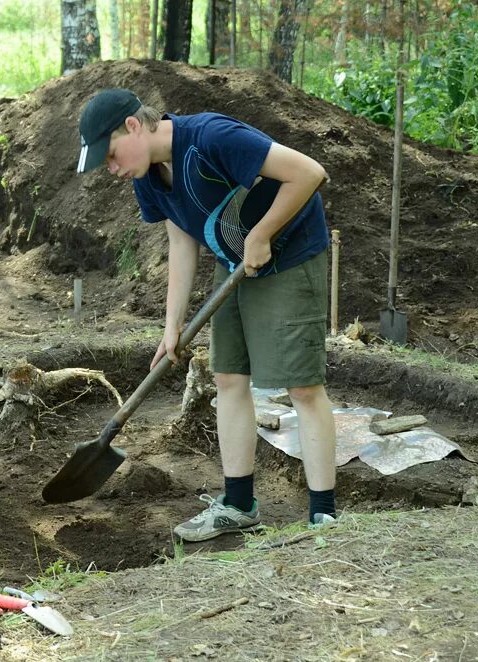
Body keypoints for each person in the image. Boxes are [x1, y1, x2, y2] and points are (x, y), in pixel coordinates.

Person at [76, 89, 338, 542]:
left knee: (302, 385)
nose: (113, 169)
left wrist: (262, 233)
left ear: (134, 126)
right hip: (234, 258)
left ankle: (323, 517)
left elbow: (310, 173)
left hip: (289, 255)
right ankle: (238, 504)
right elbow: (182, 242)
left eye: (113, 156)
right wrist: (172, 324)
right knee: (228, 377)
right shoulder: (148, 176)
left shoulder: (212, 138)